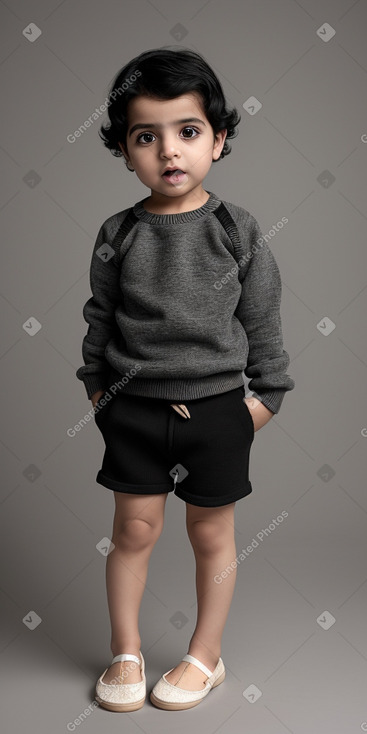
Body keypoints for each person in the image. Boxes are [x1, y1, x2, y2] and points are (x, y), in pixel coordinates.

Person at [76, 46, 295, 712]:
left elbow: (262, 321)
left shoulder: (237, 229)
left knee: (211, 536)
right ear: (125, 151)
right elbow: (100, 318)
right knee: (133, 532)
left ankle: (205, 655)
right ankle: (125, 651)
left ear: (218, 139)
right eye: (147, 136)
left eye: (188, 131)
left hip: (218, 413)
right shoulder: (119, 232)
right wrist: (99, 393)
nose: (169, 151)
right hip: (135, 411)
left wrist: (260, 403)